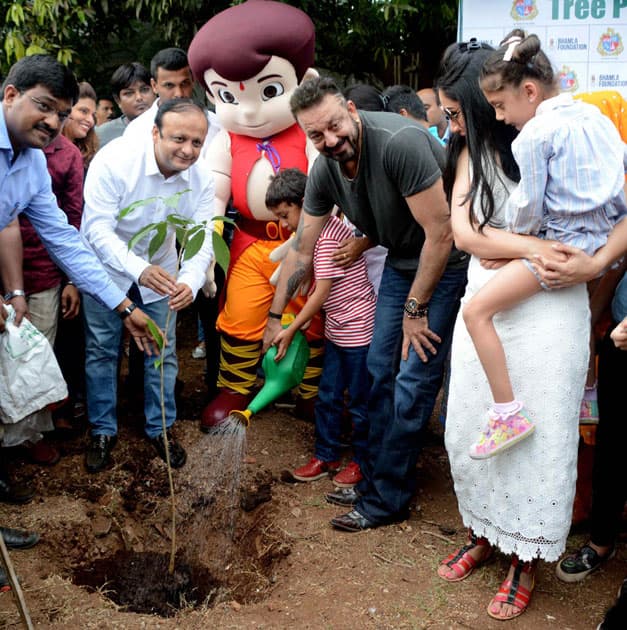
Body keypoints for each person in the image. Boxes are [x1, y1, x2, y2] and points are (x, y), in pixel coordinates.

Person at [263, 76, 468, 532]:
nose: (330, 140)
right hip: (400, 260)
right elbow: (300, 248)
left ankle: (386, 499)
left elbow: (442, 232)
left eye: (335, 126)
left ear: (351, 112)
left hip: (445, 261)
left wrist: (415, 312)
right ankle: (376, 479)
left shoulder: (400, 143)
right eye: (317, 135)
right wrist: (275, 319)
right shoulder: (323, 171)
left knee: (413, 379)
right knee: (379, 372)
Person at [434, 38, 591, 620]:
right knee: (475, 423)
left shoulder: (551, 139)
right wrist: (534, 245)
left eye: (456, 112)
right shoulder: (468, 152)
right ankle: (483, 529)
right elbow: (469, 234)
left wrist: (574, 258)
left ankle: (524, 559)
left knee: (540, 433)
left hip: (550, 308)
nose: (450, 123)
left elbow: (600, 219)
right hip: (490, 305)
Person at [460, 32, 627, 459]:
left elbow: (528, 210)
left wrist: (517, 245)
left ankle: (506, 413)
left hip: (557, 250)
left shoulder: (534, 136)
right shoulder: (598, 119)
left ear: (529, 92)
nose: (498, 118)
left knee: (477, 311)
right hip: (601, 244)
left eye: (500, 105)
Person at [188, 0, 325, 429]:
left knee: (313, 315)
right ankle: (236, 385)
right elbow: (212, 197)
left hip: (307, 239)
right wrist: (206, 253)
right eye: (229, 96)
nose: (247, 110)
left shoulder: (309, 132)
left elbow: (326, 187)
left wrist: (298, 240)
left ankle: (311, 389)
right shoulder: (225, 139)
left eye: (268, 91)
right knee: (242, 315)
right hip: (249, 241)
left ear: (306, 82)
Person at [80, 98, 215, 473]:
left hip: (163, 272)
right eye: (178, 139)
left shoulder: (201, 176)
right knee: (103, 349)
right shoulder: (116, 162)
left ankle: (161, 428)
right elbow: (97, 230)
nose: (188, 150)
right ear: (155, 132)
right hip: (108, 270)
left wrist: (189, 279)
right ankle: (102, 429)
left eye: (197, 142)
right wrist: (138, 269)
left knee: (162, 348)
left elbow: (202, 233)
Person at [0, 55, 157, 363]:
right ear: (11, 95)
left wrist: (124, 307)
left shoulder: (33, 165)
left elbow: (66, 242)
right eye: (43, 106)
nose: (52, 122)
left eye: (61, 114)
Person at [266, 168, 376, 487]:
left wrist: (292, 328)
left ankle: (361, 460)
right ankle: (325, 455)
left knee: (358, 399)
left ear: (305, 203)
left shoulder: (327, 237)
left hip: (357, 330)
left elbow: (319, 294)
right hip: (338, 329)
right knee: (327, 394)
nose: (285, 225)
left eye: (286, 215)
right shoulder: (320, 232)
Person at [95, 62, 155, 148]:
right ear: (118, 100)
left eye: (144, 90)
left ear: (155, 89)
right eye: (129, 93)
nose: (139, 97)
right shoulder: (103, 135)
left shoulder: (171, 126)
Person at [62, 81, 99, 170]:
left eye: (93, 115)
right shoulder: (45, 148)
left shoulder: (90, 156)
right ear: (66, 109)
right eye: (84, 111)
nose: (91, 121)